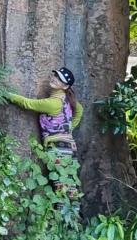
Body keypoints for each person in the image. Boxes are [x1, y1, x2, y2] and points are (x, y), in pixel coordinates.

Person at [5, 67, 83, 200]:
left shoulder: (53, 103)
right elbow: (79, 110)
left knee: (61, 188)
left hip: (58, 147)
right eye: (56, 76)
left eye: (60, 80)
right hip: (69, 146)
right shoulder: (66, 99)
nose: (55, 79)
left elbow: (27, 103)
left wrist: (6, 94)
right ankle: (71, 216)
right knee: (69, 185)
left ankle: (66, 217)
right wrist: (68, 129)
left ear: (65, 86)